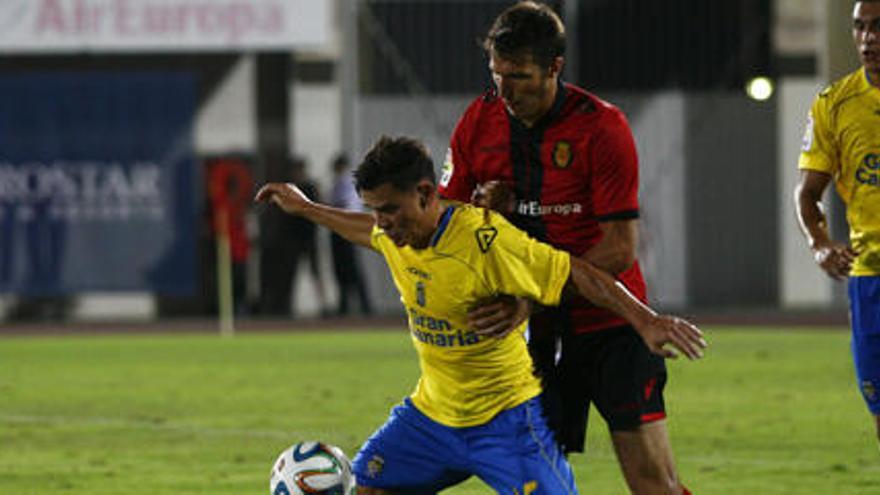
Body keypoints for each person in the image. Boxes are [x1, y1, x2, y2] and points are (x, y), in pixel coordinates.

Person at [256, 135, 706, 493]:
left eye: (390, 210)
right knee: (368, 487)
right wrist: (307, 208)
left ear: (427, 193)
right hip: (430, 418)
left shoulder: (486, 241)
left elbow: (578, 273)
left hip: (506, 422)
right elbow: (366, 231)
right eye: (376, 211)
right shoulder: (394, 233)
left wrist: (645, 319)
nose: (383, 224)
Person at [437, 2, 694, 494]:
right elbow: (449, 227)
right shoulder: (479, 121)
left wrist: (530, 296)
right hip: (528, 338)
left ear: (555, 68)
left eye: (519, 76)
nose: (504, 91)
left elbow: (618, 249)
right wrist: (479, 206)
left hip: (611, 325)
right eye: (496, 75)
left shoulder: (601, 127)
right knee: (530, 482)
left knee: (651, 482)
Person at [794, 0, 880, 444]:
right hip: (869, 282)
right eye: (860, 28)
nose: (868, 38)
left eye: (878, 27)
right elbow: (808, 194)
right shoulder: (835, 104)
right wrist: (820, 242)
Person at [260, 155, 328, 317]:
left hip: (308, 237)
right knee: (289, 274)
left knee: (316, 272)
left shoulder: (310, 188)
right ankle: (286, 305)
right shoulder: (289, 190)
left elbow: (321, 210)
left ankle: (324, 305)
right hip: (292, 239)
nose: (298, 173)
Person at [329, 153, 374, 316]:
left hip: (347, 227)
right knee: (343, 268)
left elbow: (343, 206)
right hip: (342, 228)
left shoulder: (345, 183)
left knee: (351, 268)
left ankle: (364, 305)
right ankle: (347, 305)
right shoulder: (342, 183)